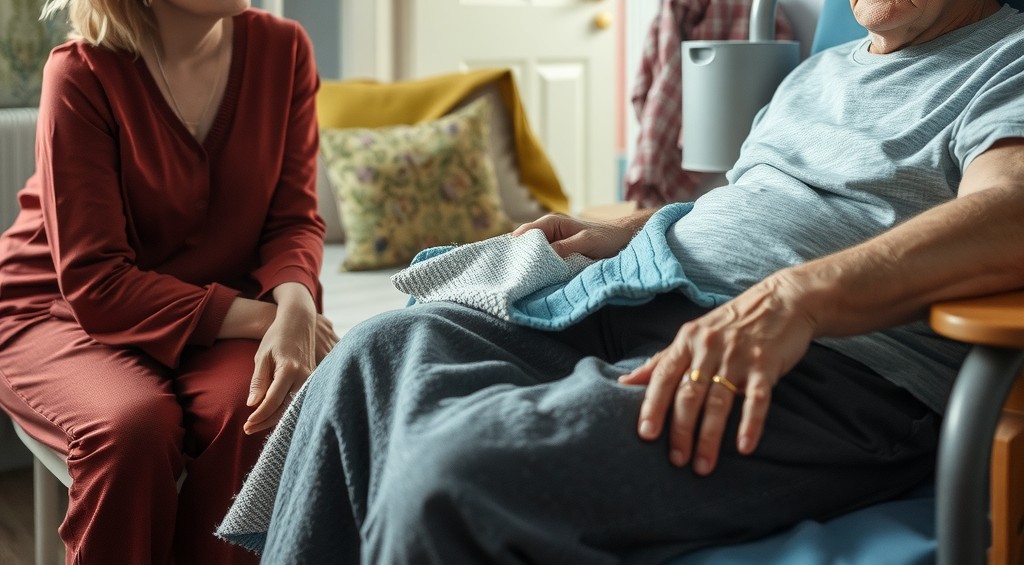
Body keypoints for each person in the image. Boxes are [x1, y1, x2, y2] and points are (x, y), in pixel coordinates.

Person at [238, 0, 1024, 562]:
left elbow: (1010, 212)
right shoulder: (815, 75)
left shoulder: (1005, 60)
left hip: (818, 364)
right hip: (649, 293)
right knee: (373, 352)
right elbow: (757, 204)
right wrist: (644, 227)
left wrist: (798, 296)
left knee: (454, 477)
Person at [0, 0, 338, 563]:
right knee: (132, 428)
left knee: (258, 410)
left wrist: (297, 305)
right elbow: (97, 283)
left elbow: (293, 219)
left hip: (212, 306)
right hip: (58, 310)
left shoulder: (286, 50)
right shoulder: (81, 74)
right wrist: (269, 319)